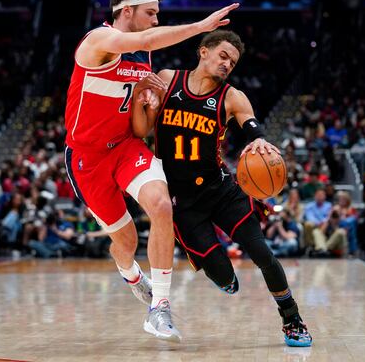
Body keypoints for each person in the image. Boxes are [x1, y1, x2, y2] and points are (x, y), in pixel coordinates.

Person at [63, 0, 239, 342]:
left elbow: (141, 131)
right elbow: (143, 37)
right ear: (127, 11)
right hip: (88, 158)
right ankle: (130, 274)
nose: (156, 21)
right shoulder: (100, 40)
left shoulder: (142, 57)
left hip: (126, 147)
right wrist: (203, 26)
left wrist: (147, 98)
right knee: (124, 242)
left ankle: (159, 306)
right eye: (151, 13)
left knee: (161, 205)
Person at [131, 30, 312, 347]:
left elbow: (252, 127)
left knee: (263, 254)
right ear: (204, 51)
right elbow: (143, 130)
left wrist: (257, 138)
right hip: (181, 201)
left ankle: (292, 319)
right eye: (223, 56)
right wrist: (139, 101)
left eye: (233, 61)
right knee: (223, 276)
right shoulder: (168, 79)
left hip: (221, 190)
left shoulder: (232, 97)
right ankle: (224, 277)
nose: (228, 64)